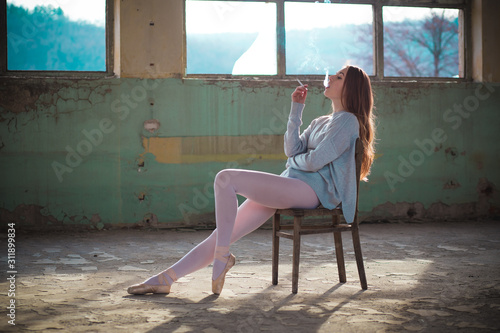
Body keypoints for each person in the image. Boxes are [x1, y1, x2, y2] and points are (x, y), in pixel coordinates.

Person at [127, 65, 376, 295]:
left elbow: (312, 162)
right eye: (334, 74)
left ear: (352, 88)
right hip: (293, 185)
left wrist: (295, 162)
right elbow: (292, 150)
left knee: (225, 179)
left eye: (339, 76)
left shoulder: (348, 121)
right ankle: (167, 278)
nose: (330, 77)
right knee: (223, 234)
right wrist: (296, 109)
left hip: (314, 192)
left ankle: (222, 257)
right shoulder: (321, 121)